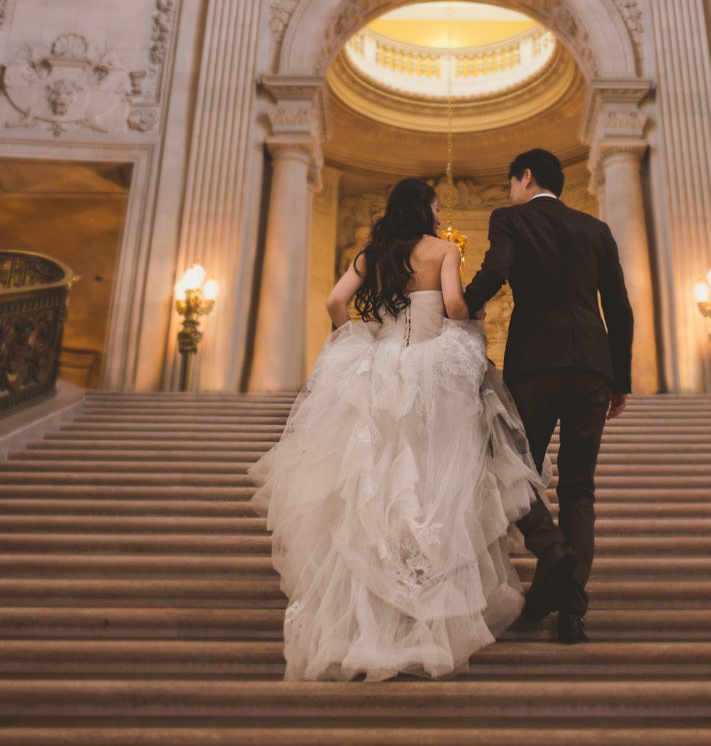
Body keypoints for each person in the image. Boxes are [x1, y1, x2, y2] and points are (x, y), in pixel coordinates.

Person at [249, 177, 545, 682]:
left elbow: (334, 302)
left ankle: (372, 608)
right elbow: (453, 306)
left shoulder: (372, 255)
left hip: (381, 363)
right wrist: (471, 314)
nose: (436, 211)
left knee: (377, 478)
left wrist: (354, 337)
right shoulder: (442, 249)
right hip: (434, 371)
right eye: (434, 205)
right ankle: (426, 601)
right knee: (433, 481)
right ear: (427, 209)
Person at [465, 148, 634, 644]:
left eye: (510, 183)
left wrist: (459, 311)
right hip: (592, 367)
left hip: (535, 364)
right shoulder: (595, 229)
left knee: (515, 473)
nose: (509, 192)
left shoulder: (511, 218)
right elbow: (619, 308)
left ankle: (553, 550)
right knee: (580, 489)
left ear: (527, 177)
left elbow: (497, 271)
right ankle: (569, 611)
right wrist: (619, 378)